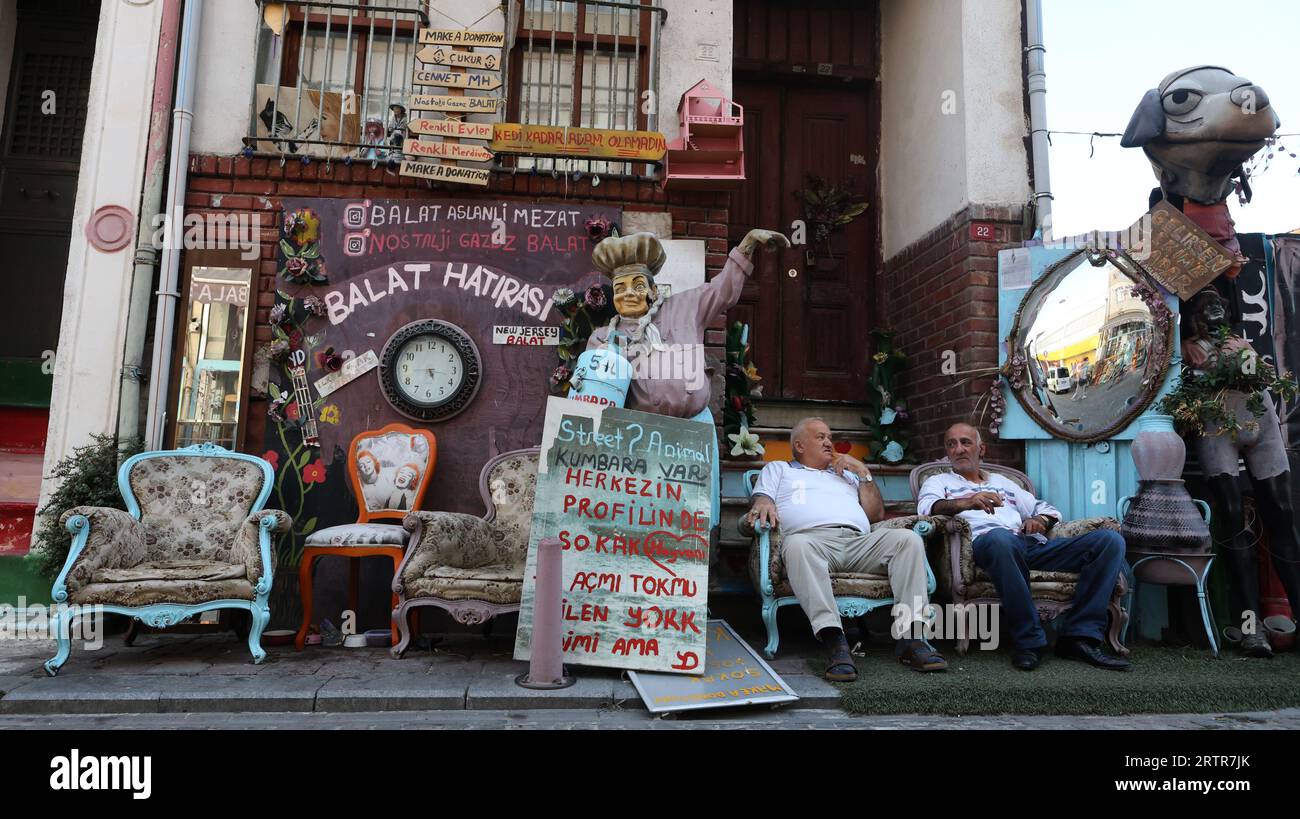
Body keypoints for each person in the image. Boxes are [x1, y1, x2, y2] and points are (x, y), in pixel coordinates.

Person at [917, 422, 1130, 671]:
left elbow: (1047, 509)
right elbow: (927, 508)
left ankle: (1079, 637)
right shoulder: (939, 481)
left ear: (981, 449)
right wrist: (967, 502)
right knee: (1000, 539)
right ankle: (1029, 641)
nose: (959, 449)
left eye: (966, 442)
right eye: (951, 444)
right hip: (985, 547)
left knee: (1109, 541)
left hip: (1028, 545)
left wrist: (1038, 520)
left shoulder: (1003, 483)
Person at [746, 418, 946, 681]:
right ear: (800, 445)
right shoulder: (779, 469)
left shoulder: (847, 475)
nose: (829, 442)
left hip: (858, 542)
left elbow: (875, 515)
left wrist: (863, 473)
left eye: (830, 437)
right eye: (820, 437)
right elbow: (762, 497)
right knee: (796, 545)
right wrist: (763, 503)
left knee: (907, 540)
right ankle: (834, 640)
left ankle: (912, 639)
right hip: (812, 541)